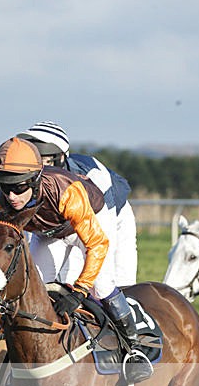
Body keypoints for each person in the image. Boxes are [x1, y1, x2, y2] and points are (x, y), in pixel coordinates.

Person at [0, 136, 152, 382]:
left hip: (90, 223)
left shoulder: (67, 192)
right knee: (35, 288)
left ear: (34, 180)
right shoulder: (2, 202)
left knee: (102, 284)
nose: (12, 196)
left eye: (19, 187)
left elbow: (96, 244)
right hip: (50, 231)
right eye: (5, 186)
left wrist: (79, 291)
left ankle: (134, 349)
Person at [17, 121, 138, 286]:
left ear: (60, 158)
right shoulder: (26, 179)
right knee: (37, 284)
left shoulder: (93, 176)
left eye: (42, 161)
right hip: (60, 227)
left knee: (108, 283)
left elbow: (101, 238)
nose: (37, 169)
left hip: (108, 219)